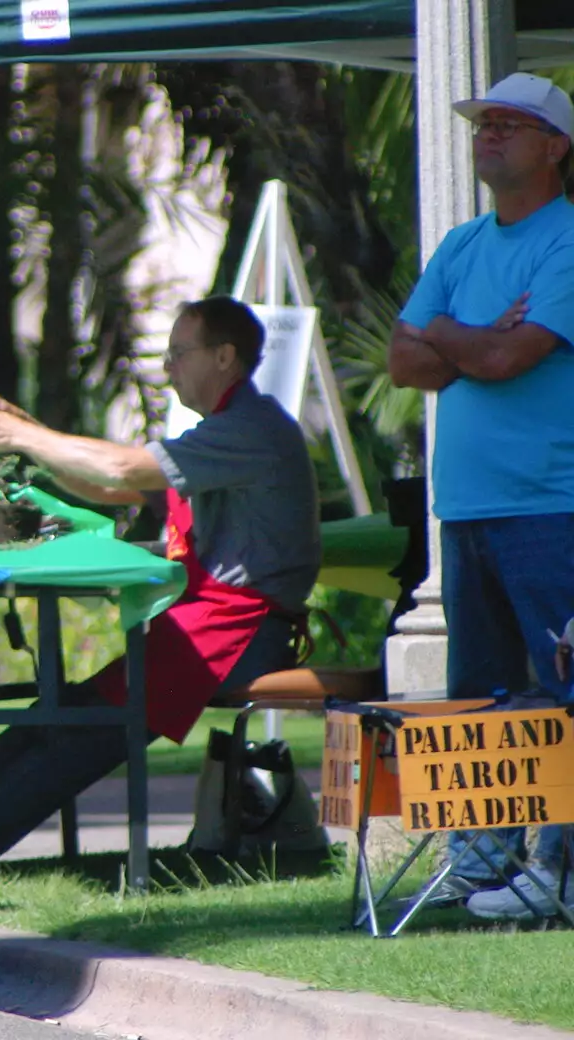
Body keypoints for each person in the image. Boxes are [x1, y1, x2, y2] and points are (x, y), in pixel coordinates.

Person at [0, 296, 321, 860]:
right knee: (66, 713)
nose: (168, 366)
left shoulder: (249, 429)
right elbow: (111, 489)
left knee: (88, 730)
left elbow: (122, 468)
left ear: (225, 356)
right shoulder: (228, 427)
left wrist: (21, 435)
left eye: (180, 352)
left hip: (246, 636)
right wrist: (28, 429)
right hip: (214, 625)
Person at [387, 72, 574, 920]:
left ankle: (560, 873)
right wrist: (480, 337)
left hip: (550, 504)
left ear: (555, 147)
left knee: (561, 689)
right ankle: (484, 872)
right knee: (484, 697)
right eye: (482, 123)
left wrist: (454, 338)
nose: (488, 134)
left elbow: (504, 361)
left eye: (511, 124)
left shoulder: (566, 241)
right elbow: (403, 361)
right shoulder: (462, 244)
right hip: (465, 509)